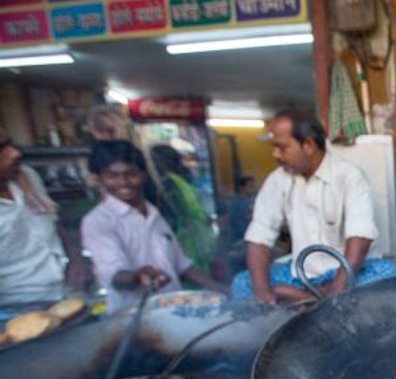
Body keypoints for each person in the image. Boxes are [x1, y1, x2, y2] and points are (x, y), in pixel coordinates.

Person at [232, 108, 396, 303]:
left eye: (282, 147)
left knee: (388, 276)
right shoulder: (277, 180)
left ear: (309, 145)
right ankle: (313, 297)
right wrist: (263, 292)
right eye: (274, 147)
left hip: (349, 273)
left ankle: (305, 298)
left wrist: (337, 291)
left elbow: (360, 238)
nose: (275, 154)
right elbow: (259, 237)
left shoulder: (349, 176)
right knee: (242, 283)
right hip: (301, 275)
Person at [81, 140, 226, 312]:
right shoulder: (98, 221)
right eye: (112, 176)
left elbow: (182, 264)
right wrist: (138, 276)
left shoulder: (153, 212)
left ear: (143, 174)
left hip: (175, 311)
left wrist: (222, 290)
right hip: (134, 320)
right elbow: (115, 275)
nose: (123, 182)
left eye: (131, 174)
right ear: (99, 179)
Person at [0, 127, 85, 306]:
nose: (15, 154)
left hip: (67, 289)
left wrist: (76, 259)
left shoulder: (28, 177)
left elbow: (53, 221)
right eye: (1, 149)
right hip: (19, 305)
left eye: (10, 144)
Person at [150, 144, 219, 273]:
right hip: (202, 237)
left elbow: (173, 220)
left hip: (188, 242)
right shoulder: (182, 180)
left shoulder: (167, 185)